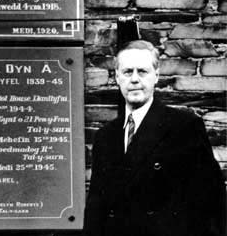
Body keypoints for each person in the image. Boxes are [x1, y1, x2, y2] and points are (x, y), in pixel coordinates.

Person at [83, 40, 226, 236]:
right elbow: (95, 210)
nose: (134, 79)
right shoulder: (105, 137)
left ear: (156, 76)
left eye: (142, 71)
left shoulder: (184, 127)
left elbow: (210, 203)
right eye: (127, 72)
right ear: (117, 77)